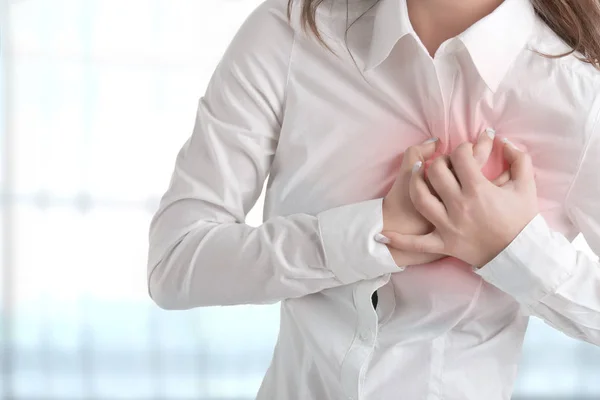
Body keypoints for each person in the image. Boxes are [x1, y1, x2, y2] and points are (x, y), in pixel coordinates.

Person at [146, 0, 600, 398]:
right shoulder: (290, 35)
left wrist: (515, 249)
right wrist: (373, 231)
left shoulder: (581, 97)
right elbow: (175, 260)